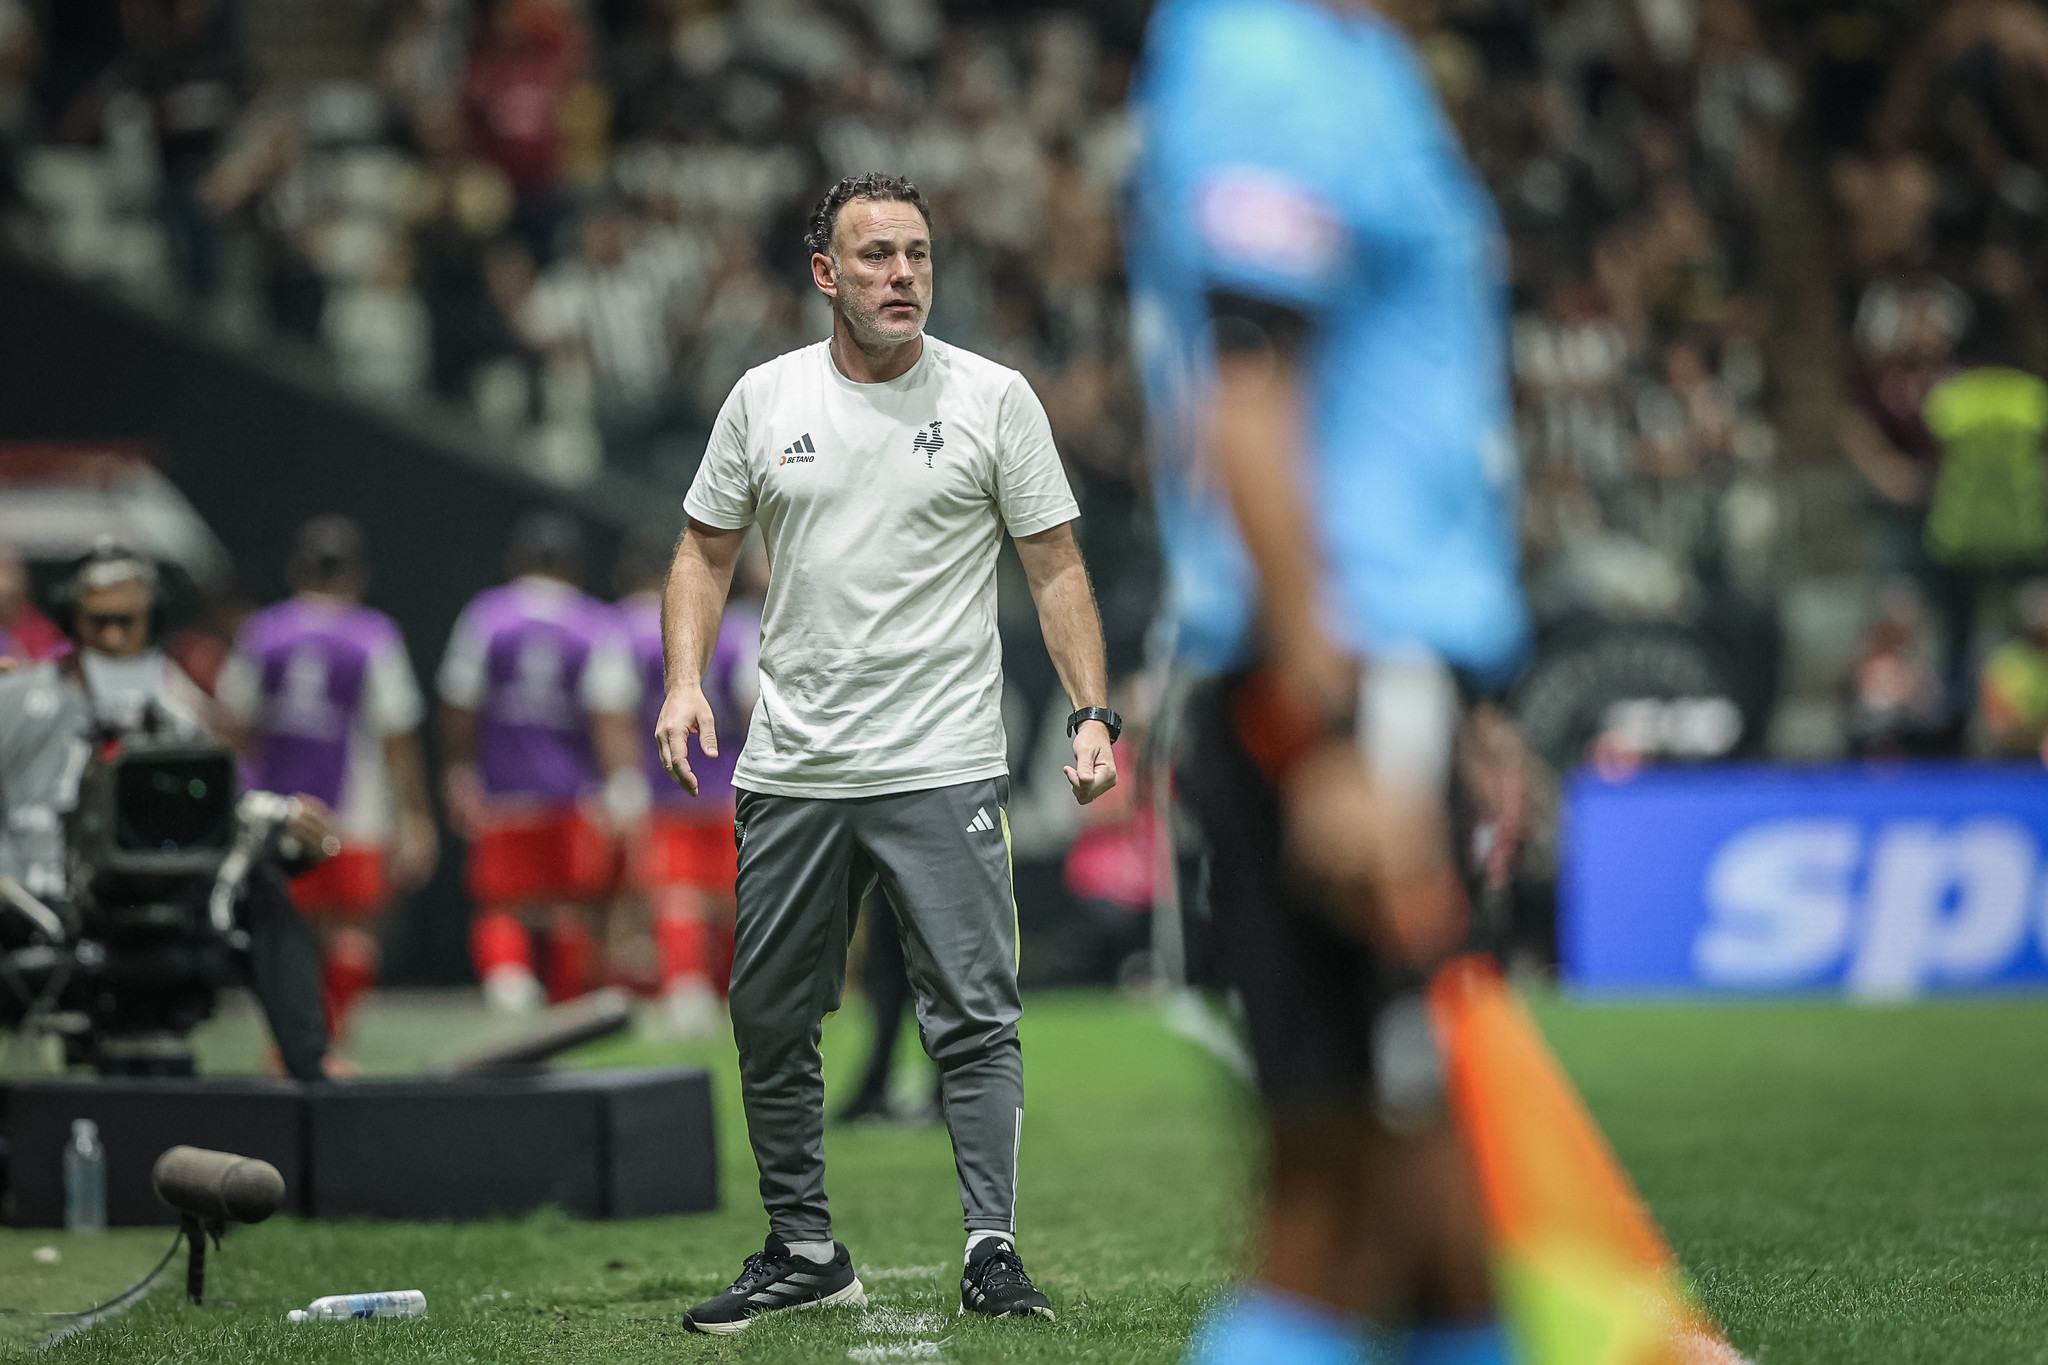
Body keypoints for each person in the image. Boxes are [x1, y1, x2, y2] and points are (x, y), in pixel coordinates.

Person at [1127, 1, 1531, 1361]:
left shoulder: (1347, 63)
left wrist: (1449, 701)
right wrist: (1337, 726)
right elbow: (1244, 404)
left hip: (1386, 678)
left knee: (1427, 1225)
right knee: (1349, 1204)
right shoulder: (1273, 60)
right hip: (1339, 685)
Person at [656, 172, 1118, 1333]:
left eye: (915, 254)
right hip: (793, 765)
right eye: (873, 257)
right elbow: (702, 553)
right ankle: (803, 1246)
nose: (900, 275)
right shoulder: (763, 398)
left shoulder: (994, 397)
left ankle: (991, 1249)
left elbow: (1053, 562)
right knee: (768, 1016)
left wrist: (1091, 713)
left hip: (941, 758)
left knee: (972, 1014)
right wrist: (679, 682)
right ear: (825, 274)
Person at [0, 542, 329, 1079]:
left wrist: (294, 841)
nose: (112, 638)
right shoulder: (15, 699)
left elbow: (222, 818)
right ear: (71, 620)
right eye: (98, 622)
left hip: (140, 895)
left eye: (127, 622)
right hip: (26, 900)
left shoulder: (176, 714)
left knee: (265, 883)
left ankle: (313, 1089)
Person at [214, 517, 439, 1051]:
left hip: (276, 816)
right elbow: (397, 736)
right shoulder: (372, 636)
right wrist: (414, 816)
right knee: (353, 932)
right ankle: (330, 1045)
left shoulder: (262, 633)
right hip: (353, 818)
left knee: (283, 931)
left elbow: (234, 725)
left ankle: (283, 1048)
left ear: (297, 568)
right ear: (357, 575)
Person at [439, 512, 643, 1013]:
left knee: (501, 903)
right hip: (570, 795)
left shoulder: (487, 616)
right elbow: (610, 715)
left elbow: (461, 706)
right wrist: (624, 782)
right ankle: (565, 1006)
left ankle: (508, 985)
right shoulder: (594, 624)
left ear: (518, 561)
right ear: (573, 566)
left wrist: (459, 770)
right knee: (570, 908)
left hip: (503, 791)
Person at [616, 529, 761, 1037]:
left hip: (665, 783)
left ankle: (685, 990)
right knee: (729, 896)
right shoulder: (740, 627)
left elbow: (611, 708)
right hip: (728, 781)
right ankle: (730, 994)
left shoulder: (628, 629)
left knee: (676, 895)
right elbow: (751, 705)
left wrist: (620, 778)